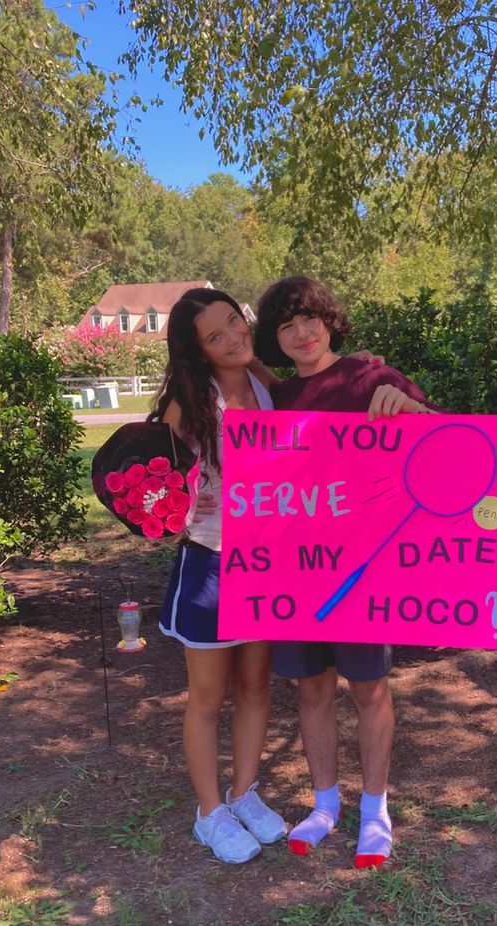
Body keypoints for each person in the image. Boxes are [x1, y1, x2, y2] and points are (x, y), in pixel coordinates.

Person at [255, 275, 437, 869]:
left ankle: (376, 810)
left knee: (368, 689)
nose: (300, 333)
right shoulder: (276, 399)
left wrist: (410, 409)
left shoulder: (368, 378)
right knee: (310, 689)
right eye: (285, 325)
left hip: (363, 569)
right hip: (294, 568)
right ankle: (326, 804)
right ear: (274, 337)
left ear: (329, 320)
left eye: (308, 318)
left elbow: (446, 447)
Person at [153, 287, 287, 865]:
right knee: (209, 697)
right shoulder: (190, 400)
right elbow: (148, 474)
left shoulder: (260, 382)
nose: (233, 337)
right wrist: (177, 518)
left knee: (257, 687)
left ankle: (244, 794)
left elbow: (319, 421)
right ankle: (210, 812)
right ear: (198, 351)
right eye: (216, 335)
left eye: (234, 322)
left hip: (267, 560)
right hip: (210, 561)